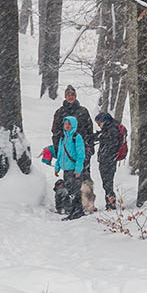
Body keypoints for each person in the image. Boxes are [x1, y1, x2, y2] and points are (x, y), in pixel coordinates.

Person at [46, 87, 94, 219]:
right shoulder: (60, 112)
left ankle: (88, 204)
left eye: (72, 94)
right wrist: (58, 150)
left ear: (76, 95)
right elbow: (55, 132)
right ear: (65, 96)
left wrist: (89, 147)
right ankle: (71, 206)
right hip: (67, 152)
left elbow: (90, 130)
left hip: (83, 149)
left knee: (85, 178)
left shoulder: (83, 111)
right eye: (68, 95)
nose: (70, 97)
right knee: (70, 181)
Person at [91, 108, 130, 210]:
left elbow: (111, 144)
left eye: (99, 122)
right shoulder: (109, 128)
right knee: (107, 182)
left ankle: (110, 203)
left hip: (108, 160)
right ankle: (110, 202)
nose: (98, 125)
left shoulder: (111, 129)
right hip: (108, 159)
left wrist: (102, 138)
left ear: (104, 121)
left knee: (107, 182)